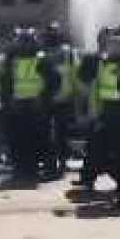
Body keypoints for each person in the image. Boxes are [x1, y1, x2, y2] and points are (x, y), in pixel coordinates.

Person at [76, 27, 120, 211]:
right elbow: (97, 90)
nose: (114, 47)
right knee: (98, 153)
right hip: (106, 116)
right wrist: (94, 115)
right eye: (112, 43)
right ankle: (104, 182)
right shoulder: (103, 63)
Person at [0, 28, 60, 186]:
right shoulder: (11, 61)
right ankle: (22, 171)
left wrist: (43, 98)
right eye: (22, 41)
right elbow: (5, 83)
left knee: (43, 140)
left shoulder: (43, 59)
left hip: (38, 107)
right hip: (17, 107)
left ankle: (50, 171)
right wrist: (8, 101)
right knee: (19, 140)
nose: (25, 45)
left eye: (28, 41)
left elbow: (54, 81)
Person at [44, 22, 81, 179]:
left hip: (60, 98)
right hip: (57, 98)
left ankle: (59, 163)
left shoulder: (65, 53)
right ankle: (56, 163)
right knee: (57, 134)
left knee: (59, 134)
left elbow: (76, 72)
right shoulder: (47, 53)